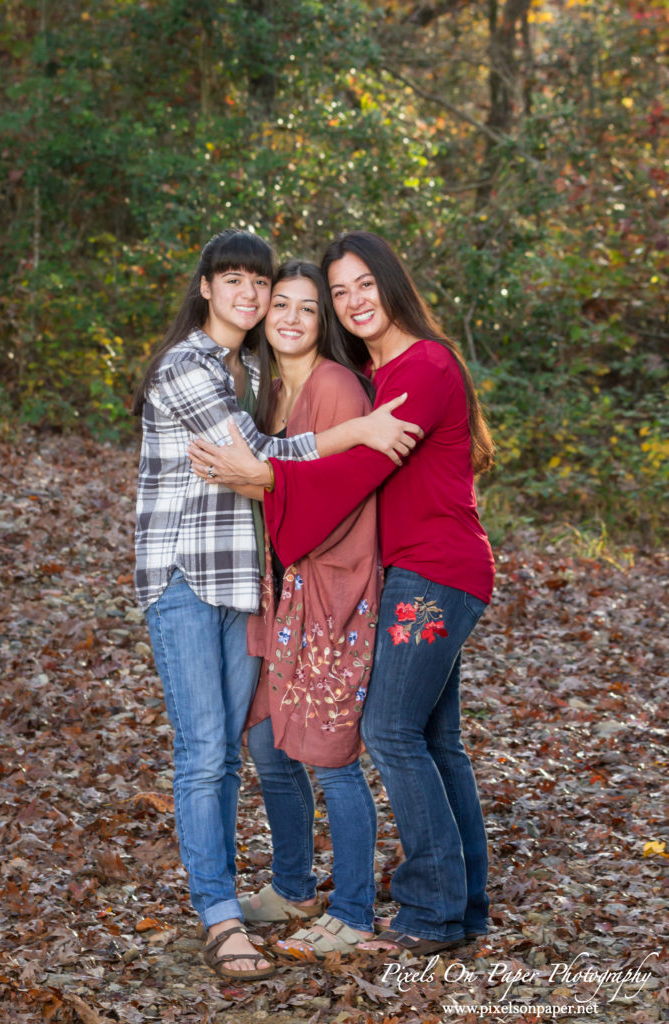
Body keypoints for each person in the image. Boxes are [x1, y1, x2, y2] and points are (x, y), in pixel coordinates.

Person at [186, 230, 496, 957]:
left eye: (365, 285)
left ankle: (429, 914)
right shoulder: (380, 371)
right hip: (418, 569)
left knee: (389, 732)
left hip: (434, 572)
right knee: (434, 741)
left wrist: (264, 478)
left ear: (392, 285)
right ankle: (465, 903)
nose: (355, 301)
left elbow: (356, 475)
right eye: (343, 290)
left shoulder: (423, 365)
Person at [132, 229, 421, 980]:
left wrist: (342, 430)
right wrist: (356, 431)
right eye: (238, 281)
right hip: (191, 581)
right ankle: (221, 916)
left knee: (244, 752)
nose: (255, 298)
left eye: (264, 286)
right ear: (206, 288)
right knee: (208, 755)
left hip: (250, 586)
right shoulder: (193, 368)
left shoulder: (252, 372)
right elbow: (256, 463)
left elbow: (270, 473)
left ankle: (317, 901)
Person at [192, 258, 382, 957]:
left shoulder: (334, 385)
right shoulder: (265, 391)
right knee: (269, 743)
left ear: (322, 321)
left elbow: (341, 492)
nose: (293, 318)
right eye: (281, 306)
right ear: (263, 316)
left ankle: (355, 910)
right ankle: (294, 885)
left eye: (308, 307)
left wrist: (263, 486)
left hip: (330, 586)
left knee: (330, 754)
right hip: (275, 592)